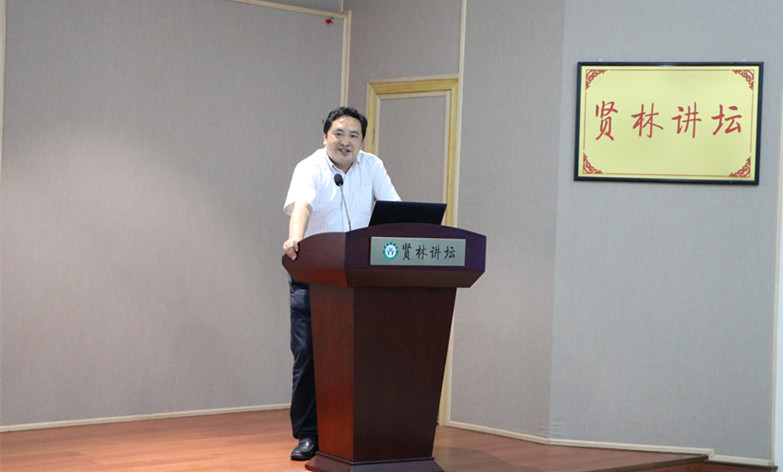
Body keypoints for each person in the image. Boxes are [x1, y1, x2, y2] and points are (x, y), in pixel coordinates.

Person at [282, 106, 400, 461]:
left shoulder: (372, 166)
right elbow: (302, 207)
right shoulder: (310, 167)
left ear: (362, 141)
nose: (345, 141)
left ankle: (359, 431)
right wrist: (295, 239)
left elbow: (395, 208)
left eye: (354, 135)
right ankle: (308, 434)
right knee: (309, 355)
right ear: (325, 137)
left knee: (361, 356)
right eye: (338, 134)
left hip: (360, 276)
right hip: (314, 274)